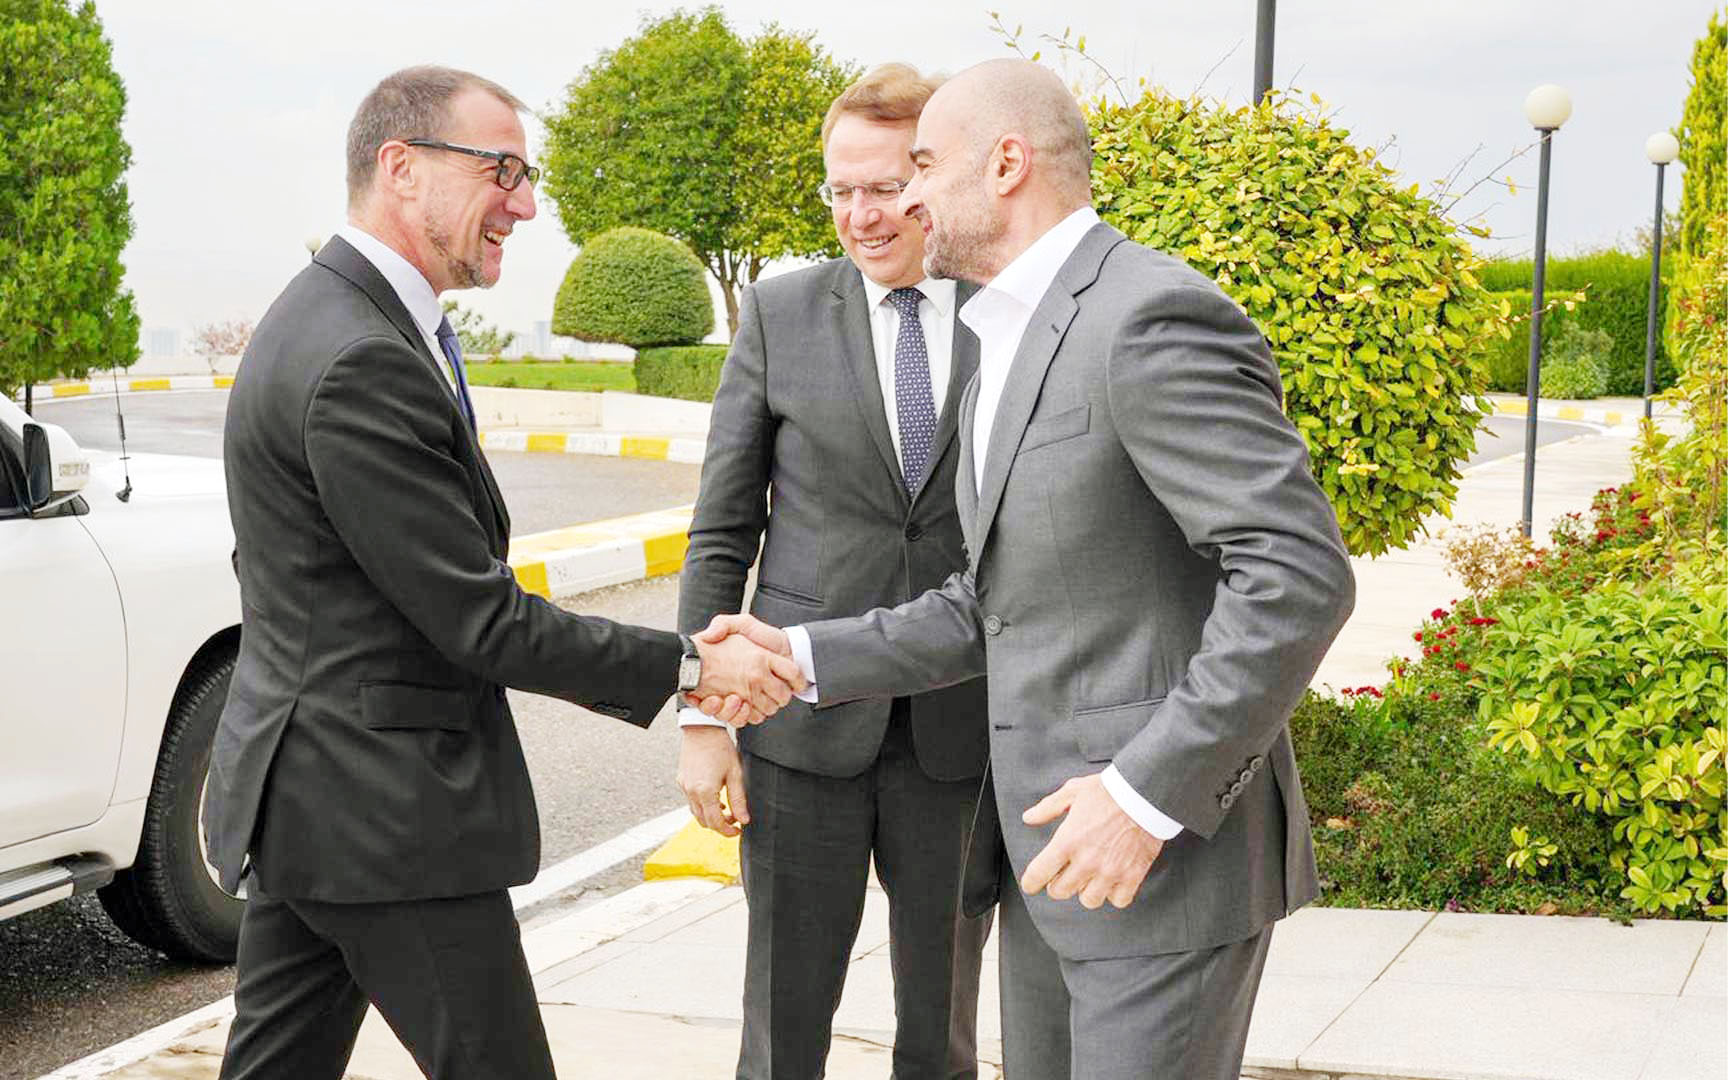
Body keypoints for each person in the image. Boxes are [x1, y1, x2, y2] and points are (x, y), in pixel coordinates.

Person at [698, 59, 1357, 1080]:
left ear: (1005, 165)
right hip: (1048, 859)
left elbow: (1298, 576)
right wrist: (799, 655)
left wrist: (1144, 796)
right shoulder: (1006, 335)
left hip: (1153, 861)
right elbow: (994, 600)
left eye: (922, 167)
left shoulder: (1147, 316)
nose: (906, 200)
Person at [203, 66, 802, 1080]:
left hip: (314, 798)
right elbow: (478, 619)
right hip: (384, 813)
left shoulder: (331, 317)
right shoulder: (358, 355)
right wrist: (696, 667)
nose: (523, 206)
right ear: (402, 167)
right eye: (503, 171)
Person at [675, 63, 992, 1080]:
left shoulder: (1008, 314)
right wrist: (702, 719)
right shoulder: (779, 313)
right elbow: (722, 529)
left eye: (886, 186)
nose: (861, 215)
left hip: (959, 725)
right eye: (840, 190)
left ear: (933, 177)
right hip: (795, 725)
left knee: (941, 1027)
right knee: (782, 1024)